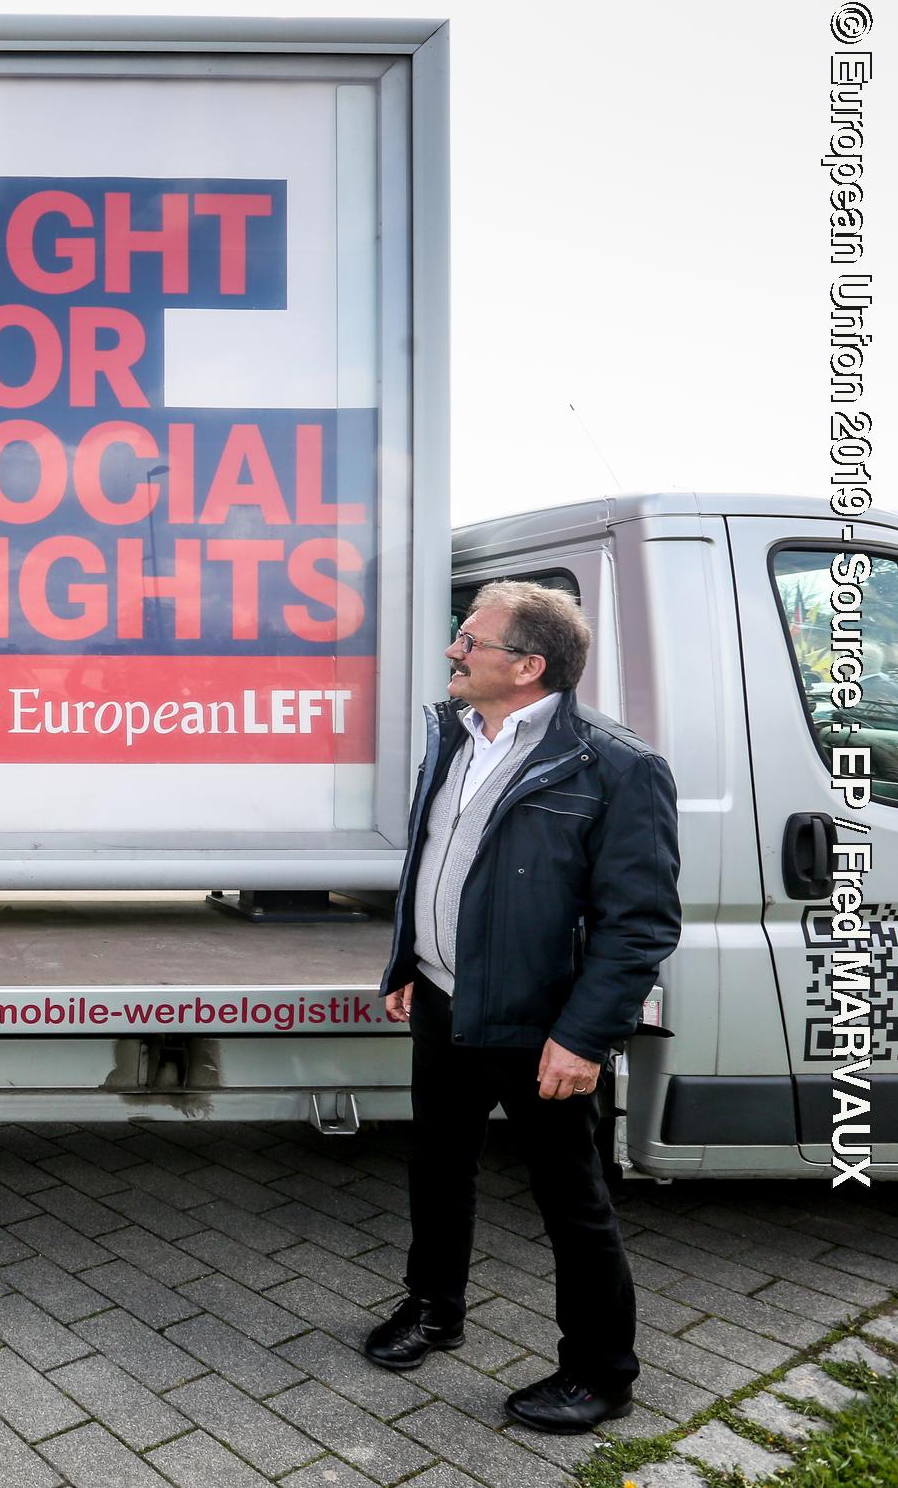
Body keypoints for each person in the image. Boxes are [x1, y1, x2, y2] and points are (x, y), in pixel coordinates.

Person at [365, 581, 681, 1434]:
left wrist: (582, 1037)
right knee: (437, 1166)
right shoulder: (454, 733)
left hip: (540, 1027)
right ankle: (435, 1308)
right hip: (441, 1000)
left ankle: (601, 1374)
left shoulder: (617, 767)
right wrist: (410, 959)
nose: (452, 652)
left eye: (470, 640)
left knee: (570, 1203)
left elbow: (639, 924)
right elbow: (435, 860)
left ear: (528, 666)